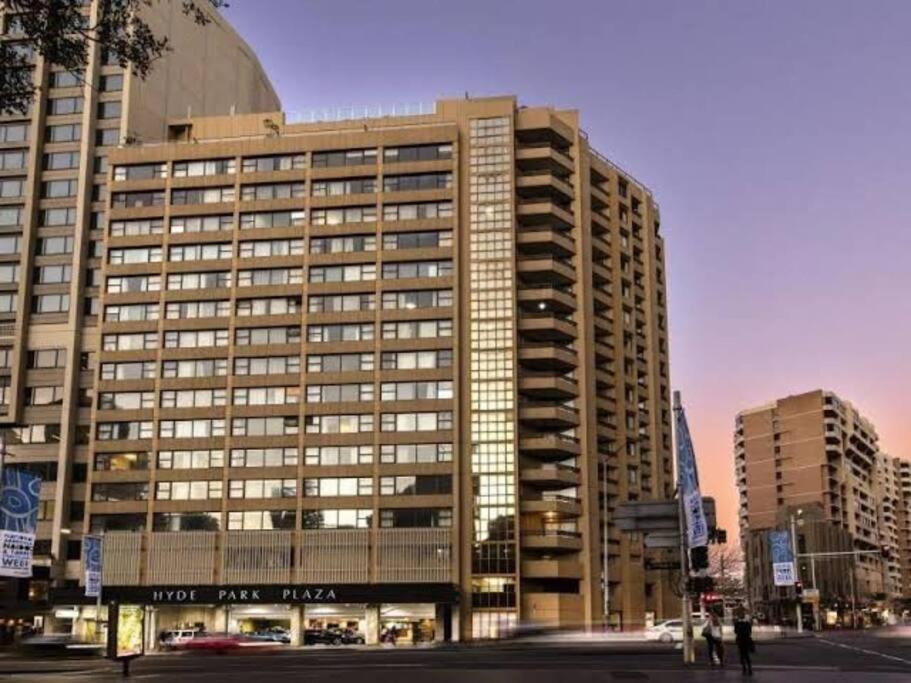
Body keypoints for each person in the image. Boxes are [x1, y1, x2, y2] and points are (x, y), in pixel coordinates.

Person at [734, 608, 754, 676]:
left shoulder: (737, 624)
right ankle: (749, 668)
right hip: (746, 640)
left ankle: (744, 668)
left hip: (740, 640)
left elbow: (736, 631)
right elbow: (750, 632)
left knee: (742, 655)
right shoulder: (747, 624)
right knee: (747, 655)